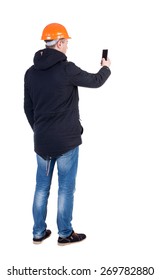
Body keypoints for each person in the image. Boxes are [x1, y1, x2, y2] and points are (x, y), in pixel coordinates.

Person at [24, 23, 111, 246]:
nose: (67, 47)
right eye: (67, 43)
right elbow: (96, 81)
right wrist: (106, 67)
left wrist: (40, 130)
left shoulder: (30, 73)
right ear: (60, 43)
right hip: (66, 141)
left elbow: (28, 107)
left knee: (41, 187)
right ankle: (64, 233)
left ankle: (38, 233)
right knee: (65, 187)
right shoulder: (67, 68)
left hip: (42, 142)